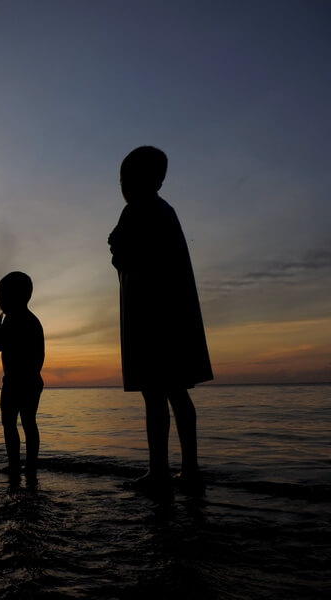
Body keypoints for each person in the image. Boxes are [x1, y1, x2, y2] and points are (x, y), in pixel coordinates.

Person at [108, 146, 213, 495]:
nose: (124, 185)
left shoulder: (144, 210)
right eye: (123, 179)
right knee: (169, 392)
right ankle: (179, 470)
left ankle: (166, 471)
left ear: (154, 179)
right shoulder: (155, 211)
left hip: (156, 316)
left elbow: (137, 260)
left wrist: (117, 246)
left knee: (162, 393)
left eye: (128, 178)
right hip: (158, 313)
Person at [0, 271, 45, 480]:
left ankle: (18, 465)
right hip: (27, 380)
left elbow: (2, 345)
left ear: (17, 297)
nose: (0, 302)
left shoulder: (18, 320)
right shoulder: (24, 320)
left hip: (19, 380)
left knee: (14, 422)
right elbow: (0, 345)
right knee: (24, 422)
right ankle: (27, 465)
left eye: (3, 297)